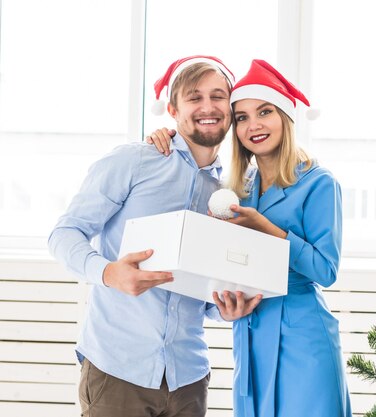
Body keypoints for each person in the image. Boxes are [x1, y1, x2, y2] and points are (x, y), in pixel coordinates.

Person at [48, 55, 262, 417]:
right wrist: (108, 272)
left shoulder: (233, 189)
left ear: (231, 106)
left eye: (217, 96)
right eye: (194, 97)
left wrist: (225, 307)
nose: (207, 107)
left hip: (188, 378)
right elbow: (64, 233)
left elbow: (203, 287)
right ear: (173, 109)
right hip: (117, 370)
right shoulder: (133, 161)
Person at [148, 59, 352, 417]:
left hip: (302, 334)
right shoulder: (241, 188)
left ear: (285, 118)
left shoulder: (320, 183)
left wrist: (266, 229)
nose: (253, 125)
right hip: (251, 329)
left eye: (265, 112)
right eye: (241, 117)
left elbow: (326, 270)